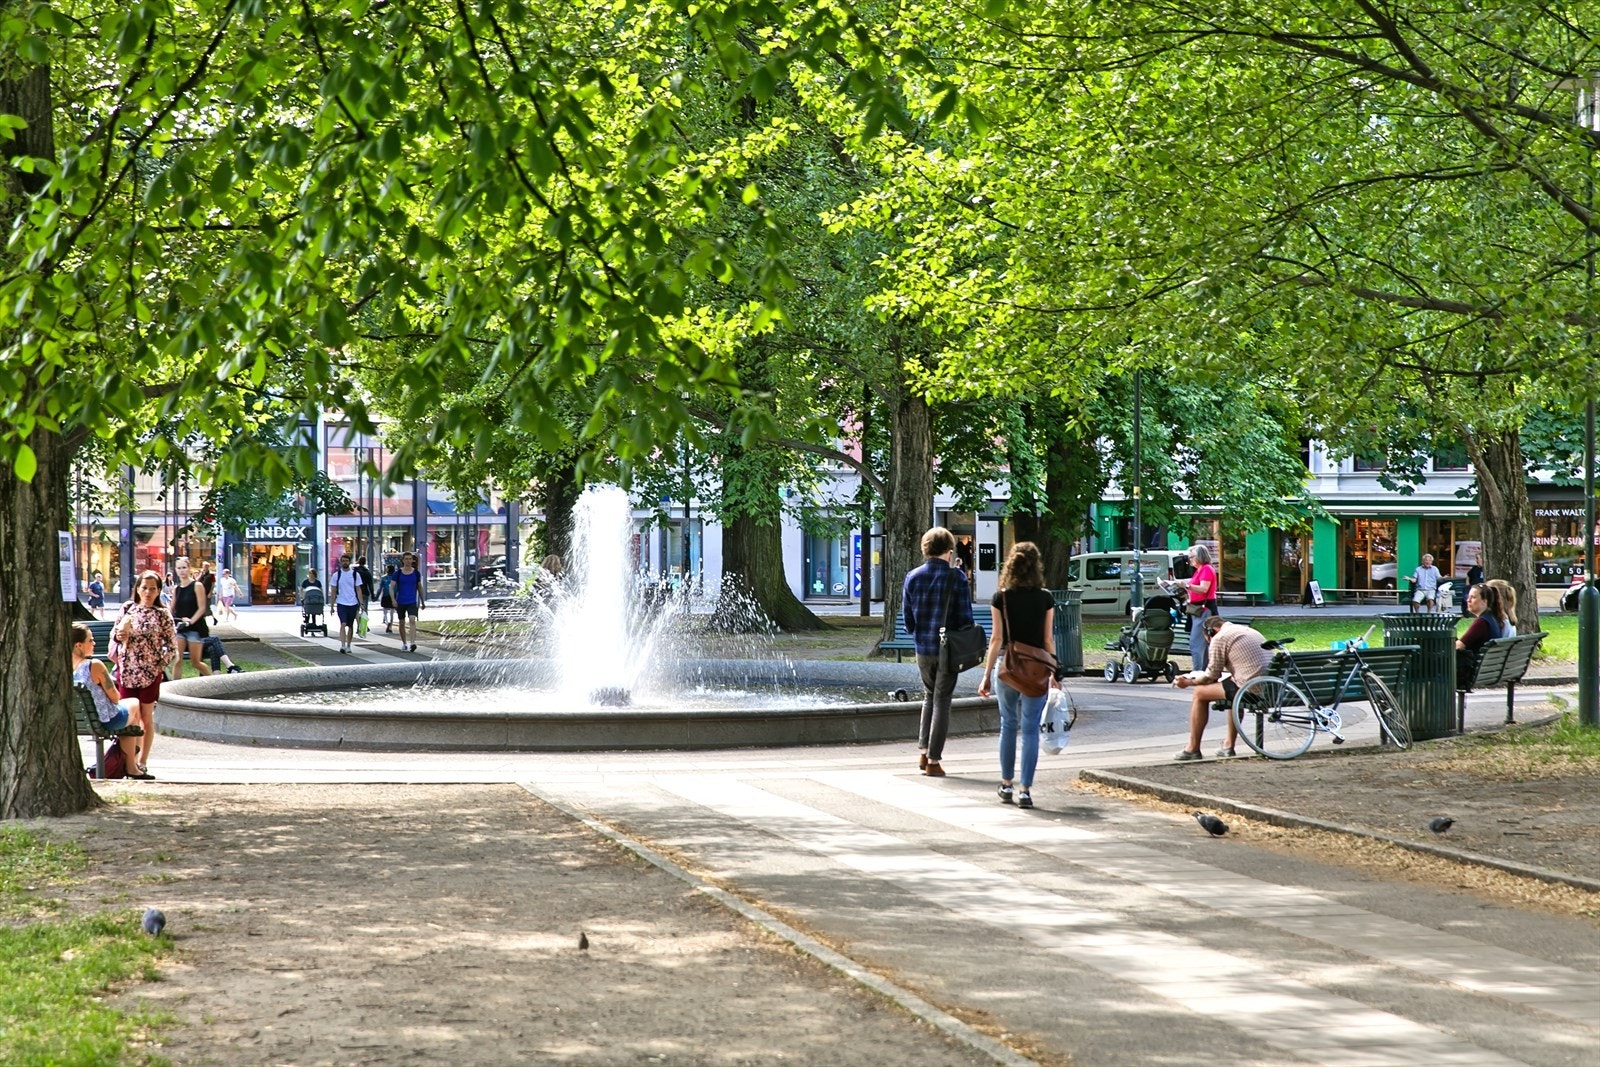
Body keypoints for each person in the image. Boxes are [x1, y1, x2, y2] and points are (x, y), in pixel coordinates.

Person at [976, 542, 1056, 809]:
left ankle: (1006, 784)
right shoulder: (1045, 598)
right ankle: (1026, 791)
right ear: (1036, 566)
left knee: (1008, 725)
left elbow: (996, 639)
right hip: (1036, 670)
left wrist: (986, 675)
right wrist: (1055, 671)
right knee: (1031, 728)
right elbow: (1047, 639)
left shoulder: (1002, 598)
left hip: (1008, 668)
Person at [901, 526, 972, 778]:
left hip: (923, 647)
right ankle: (933, 760)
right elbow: (965, 618)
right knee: (942, 700)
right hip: (947, 650)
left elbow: (908, 619)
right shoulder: (957, 577)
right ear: (949, 551)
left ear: (925, 549)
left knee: (929, 696)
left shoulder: (913, 576)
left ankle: (922, 751)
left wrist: (920, 633)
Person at [1172, 615, 1277, 760]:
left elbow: (1211, 676)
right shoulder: (1248, 631)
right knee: (1230, 687)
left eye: (1207, 639)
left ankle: (1192, 748)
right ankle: (1228, 745)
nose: (1208, 642)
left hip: (1251, 689)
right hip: (1271, 687)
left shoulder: (1219, 638)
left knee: (1199, 693)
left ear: (1211, 631)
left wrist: (1187, 682)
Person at [110, 571, 177, 777]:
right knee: (130, 717)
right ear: (138, 588)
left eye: (153, 589)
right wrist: (120, 635)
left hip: (149, 672)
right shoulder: (128, 609)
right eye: (144, 588)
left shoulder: (162, 614)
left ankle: (143, 760)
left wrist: (159, 665)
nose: (148, 592)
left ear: (158, 591)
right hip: (128, 670)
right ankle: (129, 762)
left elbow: (172, 645)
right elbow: (115, 634)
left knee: (146, 717)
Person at [71, 623, 146, 778]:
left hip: (78, 722)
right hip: (106, 720)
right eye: (90, 640)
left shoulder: (60, 667)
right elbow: (115, 697)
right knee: (134, 704)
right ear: (79, 645)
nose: (94, 643)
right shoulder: (94, 665)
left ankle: (126, 762)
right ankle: (132, 765)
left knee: (130, 714)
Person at [169, 557, 213, 679]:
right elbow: (171, 609)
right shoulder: (176, 589)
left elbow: (202, 608)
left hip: (195, 628)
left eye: (184, 567)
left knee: (196, 662)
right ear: (175, 570)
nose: (182, 571)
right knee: (177, 659)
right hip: (180, 629)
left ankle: (213, 681)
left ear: (189, 569)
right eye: (179, 568)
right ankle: (175, 689)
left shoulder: (197, 585)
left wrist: (190, 621)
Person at [1175, 544, 1218, 669]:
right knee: (1202, 643)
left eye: (1192, 557)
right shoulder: (1199, 570)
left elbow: (1204, 589)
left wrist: (1186, 586)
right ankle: (1203, 672)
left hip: (1203, 610)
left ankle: (1198, 672)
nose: (1190, 559)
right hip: (1197, 609)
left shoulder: (1206, 569)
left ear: (1199, 556)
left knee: (1196, 643)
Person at [328, 554, 368, 653]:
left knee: (350, 625)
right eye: (343, 561)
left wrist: (361, 603)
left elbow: (358, 589)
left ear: (349, 562)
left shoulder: (355, 575)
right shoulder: (336, 575)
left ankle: (349, 644)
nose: (345, 562)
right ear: (340, 562)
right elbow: (333, 591)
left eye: (346, 560)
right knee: (343, 623)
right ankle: (342, 645)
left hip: (353, 603)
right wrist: (332, 605)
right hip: (341, 603)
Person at [390, 551, 426, 652]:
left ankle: (413, 643)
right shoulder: (398, 573)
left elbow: (419, 587)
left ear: (413, 560)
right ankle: (404, 643)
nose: (408, 561)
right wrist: (393, 600)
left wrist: (423, 601)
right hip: (401, 601)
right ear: (403, 560)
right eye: (406, 559)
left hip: (411, 601)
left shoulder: (416, 573)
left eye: (410, 559)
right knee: (401, 623)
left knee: (412, 620)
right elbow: (391, 587)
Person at [378, 562, 398, 633]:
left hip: (385, 595)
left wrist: (376, 596)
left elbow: (380, 588)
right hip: (393, 595)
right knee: (392, 611)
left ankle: (386, 621)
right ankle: (390, 624)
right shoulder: (395, 578)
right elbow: (398, 588)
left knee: (385, 610)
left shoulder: (384, 578)